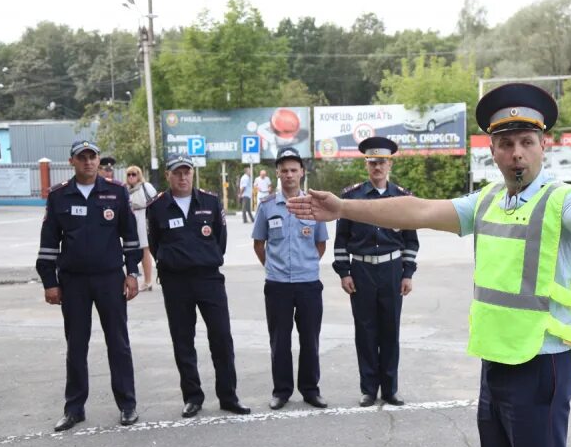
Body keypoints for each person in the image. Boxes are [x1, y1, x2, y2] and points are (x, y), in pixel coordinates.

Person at [286, 83, 571, 447]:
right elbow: (416, 210)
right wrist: (343, 207)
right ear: (491, 149)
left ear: (543, 145)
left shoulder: (562, 200)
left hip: (542, 365)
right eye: (506, 143)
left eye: (527, 143)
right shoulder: (488, 200)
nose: (517, 154)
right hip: (495, 363)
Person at [36, 140, 142, 432]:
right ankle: (74, 409)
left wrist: (132, 273)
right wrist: (49, 282)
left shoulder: (117, 192)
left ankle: (127, 405)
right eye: (82, 158)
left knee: (118, 343)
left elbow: (131, 238)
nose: (88, 162)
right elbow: (48, 243)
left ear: (98, 160)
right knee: (76, 346)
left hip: (110, 279)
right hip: (73, 283)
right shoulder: (59, 195)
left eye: (92, 157)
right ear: (72, 162)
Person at [147, 155, 251, 418]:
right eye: (177, 173)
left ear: (193, 174)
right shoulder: (157, 206)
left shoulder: (210, 201)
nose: (183, 177)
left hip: (208, 279)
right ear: (168, 176)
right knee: (183, 341)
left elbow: (221, 240)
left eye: (187, 172)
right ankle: (192, 397)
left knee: (221, 339)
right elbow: (154, 242)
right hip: (175, 282)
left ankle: (228, 396)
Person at [332, 136, 419, 407]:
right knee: (366, 331)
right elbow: (341, 239)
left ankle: (390, 389)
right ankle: (369, 389)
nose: (377, 167)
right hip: (361, 271)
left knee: (390, 330)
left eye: (381, 162)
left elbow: (411, 240)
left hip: (392, 270)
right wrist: (344, 272)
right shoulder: (352, 197)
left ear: (389, 164)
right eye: (372, 162)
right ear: (366, 164)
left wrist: (408, 273)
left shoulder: (403, 198)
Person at [252, 147, 329, 411]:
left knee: (310, 339)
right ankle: (281, 391)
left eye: (293, 170)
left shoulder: (313, 204)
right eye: (284, 170)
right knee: (280, 341)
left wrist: (304, 266)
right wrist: (275, 268)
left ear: (302, 172)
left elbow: (320, 244)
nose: (289, 175)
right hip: (277, 285)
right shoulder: (267, 206)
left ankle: (310, 390)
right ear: (277, 173)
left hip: (308, 284)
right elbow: (259, 244)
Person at [125, 165, 157, 291]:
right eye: (129, 174)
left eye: (134, 174)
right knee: (134, 249)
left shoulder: (145, 186)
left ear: (139, 175)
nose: (131, 177)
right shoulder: (126, 189)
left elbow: (154, 201)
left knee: (144, 250)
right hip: (132, 219)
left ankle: (148, 281)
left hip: (143, 218)